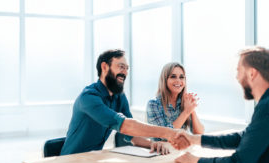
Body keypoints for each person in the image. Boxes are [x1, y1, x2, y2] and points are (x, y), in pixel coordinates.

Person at [173, 46, 269, 163]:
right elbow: (246, 137)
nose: (237, 77)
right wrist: (195, 139)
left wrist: (195, 160)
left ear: (251, 73)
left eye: (239, 70)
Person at [60, 49, 189, 156]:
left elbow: (131, 134)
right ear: (104, 67)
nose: (125, 73)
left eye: (127, 68)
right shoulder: (88, 97)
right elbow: (126, 125)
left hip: (93, 160)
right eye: (121, 67)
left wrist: (152, 144)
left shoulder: (119, 97)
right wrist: (168, 132)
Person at [147, 62, 204, 142]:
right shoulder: (153, 104)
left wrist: (192, 109)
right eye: (173, 77)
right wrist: (186, 112)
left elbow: (199, 134)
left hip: (181, 150)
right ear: (165, 80)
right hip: (161, 152)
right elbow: (165, 136)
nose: (178, 81)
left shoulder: (184, 103)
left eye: (181, 77)